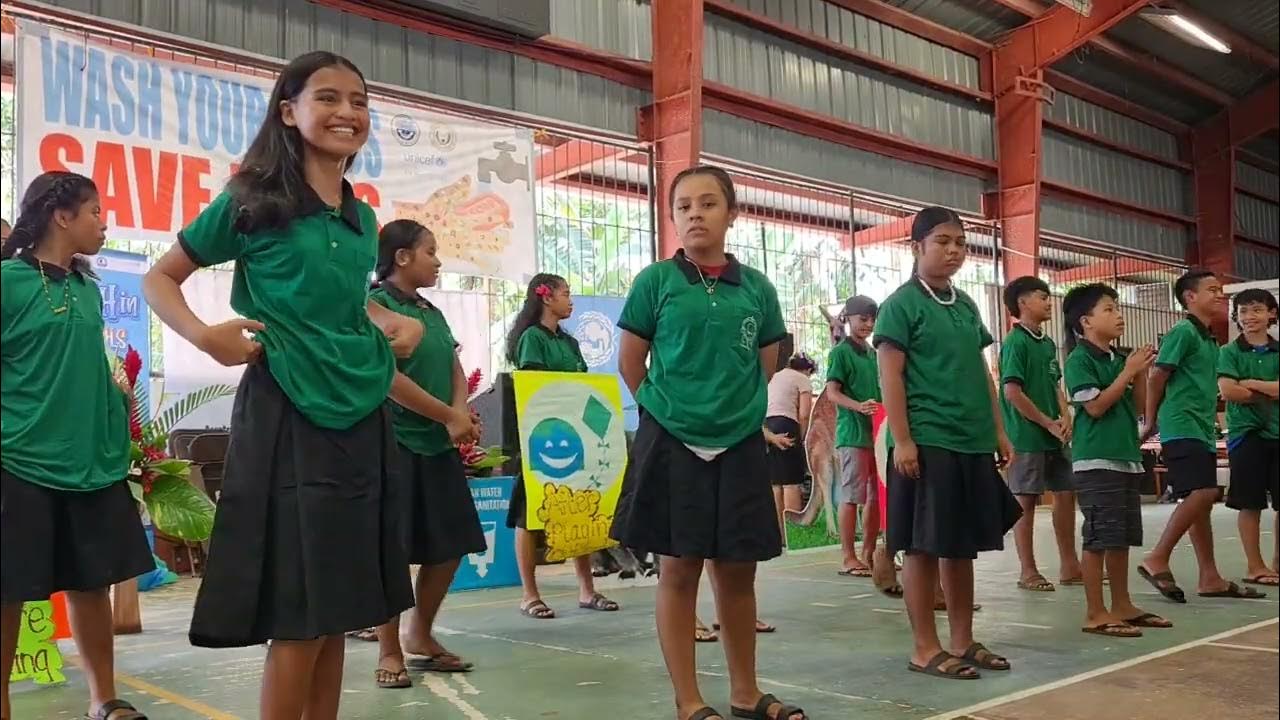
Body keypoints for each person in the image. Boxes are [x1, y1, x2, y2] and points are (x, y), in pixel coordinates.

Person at [143, 52, 469, 720]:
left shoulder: (361, 220)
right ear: (289, 112)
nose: (348, 112)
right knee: (298, 612)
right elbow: (160, 278)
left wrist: (388, 321)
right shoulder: (252, 201)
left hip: (362, 420)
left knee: (341, 605)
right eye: (328, 98)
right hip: (288, 412)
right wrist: (205, 335)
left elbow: (347, 304)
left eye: (359, 101)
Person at [611, 165, 804, 720]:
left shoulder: (758, 289)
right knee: (679, 570)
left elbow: (764, 365)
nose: (695, 213)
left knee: (738, 570)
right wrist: (668, 413)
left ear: (732, 213)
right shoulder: (656, 282)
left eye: (708, 203)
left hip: (739, 443)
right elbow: (631, 362)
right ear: (673, 217)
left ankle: (745, 693)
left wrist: (733, 414)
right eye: (684, 206)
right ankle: (689, 701)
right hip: (672, 442)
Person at [1, 173, 155, 720]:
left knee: (92, 583)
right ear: (60, 216)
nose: (103, 223)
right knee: (7, 590)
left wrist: (113, 406)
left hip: (90, 462)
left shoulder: (87, 288)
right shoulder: (8, 282)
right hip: (18, 459)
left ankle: (102, 699)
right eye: (94, 211)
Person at [875, 206, 1019, 681]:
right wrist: (903, 440)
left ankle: (962, 639)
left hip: (971, 440)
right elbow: (890, 375)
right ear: (917, 246)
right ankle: (925, 647)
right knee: (922, 547)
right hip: (928, 439)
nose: (953, 250)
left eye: (960, 242)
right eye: (942, 241)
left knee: (961, 546)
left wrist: (998, 430)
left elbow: (982, 372)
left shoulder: (966, 306)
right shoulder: (901, 305)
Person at [368, 220, 486, 687]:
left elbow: (453, 365)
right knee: (391, 551)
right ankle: (389, 650)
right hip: (394, 442)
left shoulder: (430, 311)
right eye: (430, 252)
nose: (437, 262)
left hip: (438, 444)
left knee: (450, 545)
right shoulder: (375, 306)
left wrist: (459, 413)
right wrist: (447, 416)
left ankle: (420, 634)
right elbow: (388, 379)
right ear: (402, 257)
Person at [1138, 269, 1264, 602]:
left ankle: (1210, 577)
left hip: (1201, 428)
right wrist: (1150, 420)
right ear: (1190, 297)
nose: (1219, 294)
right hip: (1181, 425)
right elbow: (1157, 376)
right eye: (1212, 289)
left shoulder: (1208, 339)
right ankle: (1157, 557)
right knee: (1204, 491)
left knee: (1202, 504)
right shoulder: (1183, 332)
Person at [505, 273, 621, 619]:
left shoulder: (569, 343)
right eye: (566, 294)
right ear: (546, 297)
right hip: (543, 440)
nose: (571, 301)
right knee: (529, 515)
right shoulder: (532, 339)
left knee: (577, 508)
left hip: (577, 438)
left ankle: (587, 590)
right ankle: (529, 594)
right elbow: (536, 388)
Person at [1062, 283, 1171, 638]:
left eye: (1117, 308)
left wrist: (1139, 372)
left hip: (1124, 458)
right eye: (1108, 309)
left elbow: (1137, 407)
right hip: (1097, 460)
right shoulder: (1079, 360)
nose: (1119, 315)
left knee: (1120, 536)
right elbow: (1095, 407)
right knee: (1098, 537)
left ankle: (1122, 605)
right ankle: (1095, 612)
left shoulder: (1116, 359)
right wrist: (1127, 372)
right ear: (1086, 321)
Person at [999, 276, 1081, 592]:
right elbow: (1012, 392)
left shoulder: (1046, 344)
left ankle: (1070, 565)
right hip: (1026, 435)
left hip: (1054, 434)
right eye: (1041, 297)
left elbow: (1054, 384)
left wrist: (1065, 416)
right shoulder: (1015, 342)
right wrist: (1047, 422)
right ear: (1022, 303)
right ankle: (1028, 570)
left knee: (1066, 493)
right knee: (1026, 501)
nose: (1048, 302)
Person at [1216, 289, 1279, 587]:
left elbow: (1242, 388)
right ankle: (1255, 566)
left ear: (1271, 314)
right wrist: (1271, 391)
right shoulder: (1229, 352)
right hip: (1246, 436)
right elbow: (1228, 391)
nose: (1249, 317)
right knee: (1250, 503)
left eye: (1256, 310)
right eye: (1243, 311)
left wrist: (1251, 383)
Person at [826, 296, 883, 577]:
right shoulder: (840, 353)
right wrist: (858, 406)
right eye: (863, 319)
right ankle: (848, 556)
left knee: (875, 495)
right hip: (852, 433)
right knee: (851, 495)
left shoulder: (875, 354)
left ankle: (869, 554)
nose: (868, 324)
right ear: (848, 319)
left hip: (877, 433)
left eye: (872, 319)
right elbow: (832, 392)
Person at [765, 353, 816, 523]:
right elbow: (804, 414)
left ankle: (778, 530)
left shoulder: (775, 376)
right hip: (787, 424)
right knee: (790, 482)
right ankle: (792, 528)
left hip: (767, 427)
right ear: (808, 370)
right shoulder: (802, 379)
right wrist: (802, 437)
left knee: (775, 482)